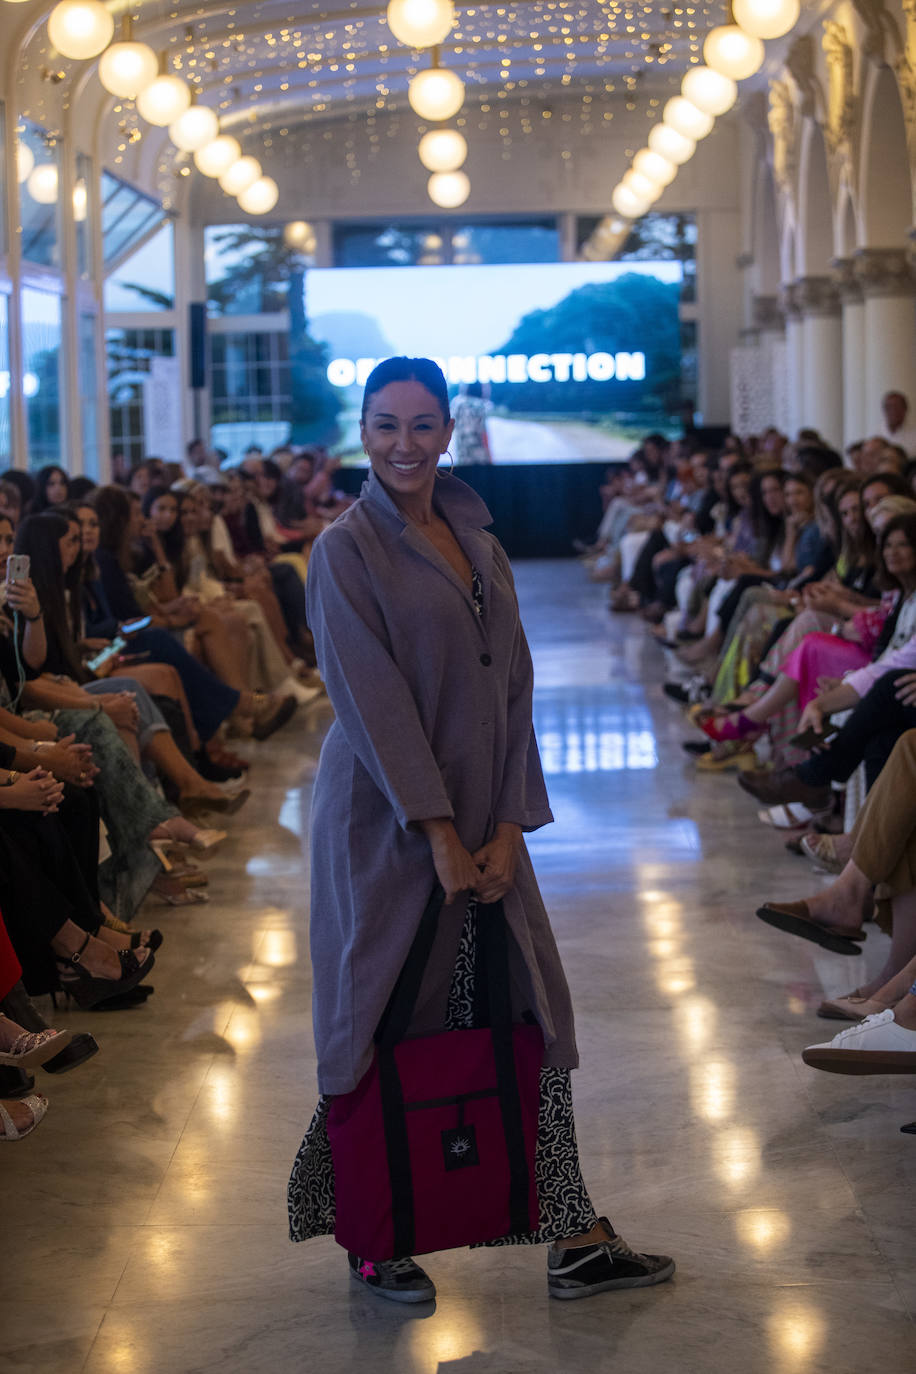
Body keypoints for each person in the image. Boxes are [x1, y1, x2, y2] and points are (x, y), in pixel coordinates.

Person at [287, 356, 674, 1303]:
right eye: (384, 425)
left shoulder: (478, 538)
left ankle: (570, 1230)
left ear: (449, 431)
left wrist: (506, 823)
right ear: (363, 432)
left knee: (527, 1012)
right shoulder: (345, 552)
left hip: (485, 819)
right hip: (385, 823)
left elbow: (514, 688)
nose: (404, 445)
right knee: (381, 1013)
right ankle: (375, 1238)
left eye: (422, 426)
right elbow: (373, 704)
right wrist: (438, 835)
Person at [880, 391, 916, 459]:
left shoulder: (914, 434)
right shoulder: (876, 434)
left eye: (897, 407)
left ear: (905, 409)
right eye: (889, 407)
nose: (893, 411)